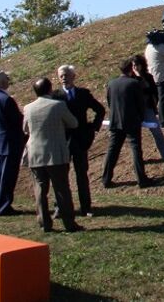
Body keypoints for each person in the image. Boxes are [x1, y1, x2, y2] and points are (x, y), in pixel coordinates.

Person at [23, 78, 82, 233]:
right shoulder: (58, 105)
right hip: (55, 153)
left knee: (40, 189)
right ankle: (69, 223)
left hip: (35, 153)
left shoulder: (28, 108)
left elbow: (25, 129)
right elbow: (73, 123)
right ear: (50, 89)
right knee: (61, 189)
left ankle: (44, 223)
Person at [53, 65, 106, 217]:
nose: (64, 77)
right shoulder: (55, 96)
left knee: (81, 174)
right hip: (63, 140)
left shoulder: (83, 94)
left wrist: (93, 127)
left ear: (73, 76)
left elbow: (100, 110)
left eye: (66, 75)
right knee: (61, 175)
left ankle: (86, 207)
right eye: (61, 75)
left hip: (80, 140)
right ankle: (60, 207)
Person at [102, 58, 153, 188]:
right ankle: (141, 179)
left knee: (112, 150)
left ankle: (106, 179)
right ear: (131, 69)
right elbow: (140, 104)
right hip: (131, 121)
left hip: (115, 121)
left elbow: (109, 102)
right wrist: (140, 117)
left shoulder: (111, 83)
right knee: (136, 149)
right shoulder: (133, 84)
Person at [0, 70, 25, 216]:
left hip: (0, 140)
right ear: (2, 82)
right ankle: (4, 206)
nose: (9, 81)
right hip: (11, 141)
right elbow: (17, 120)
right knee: (8, 176)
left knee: (0, 174)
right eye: (7, 79)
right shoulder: (6, 99)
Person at [132, 54, 164, 166]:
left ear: (142, 65)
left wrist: (153, 104)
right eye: (133, 65)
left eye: (137, 65)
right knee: (135, 137)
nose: (135, 68)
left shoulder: (148, 77)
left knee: (157, 132)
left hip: (147, 109)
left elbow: (152, 91)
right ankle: (139, 159)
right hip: (135, 111)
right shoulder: (130, 79)